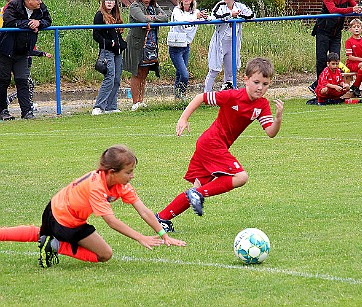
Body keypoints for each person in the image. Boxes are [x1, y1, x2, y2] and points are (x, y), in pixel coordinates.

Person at [0, 145, 186, 268]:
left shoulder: (121, 185)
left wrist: (164, 235)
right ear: (112, 172)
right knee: (104, 253)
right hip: (61, 218)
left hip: (66, 215)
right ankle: (56, 246)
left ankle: (48, 241)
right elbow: (111, 221)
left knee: (102, 254)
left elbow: (144, 211)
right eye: (129, 172)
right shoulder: (96, 186)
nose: (132, 176)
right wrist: (140, 237)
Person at [155, 57, 284, 232]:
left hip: (210, 145)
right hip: (212, 144)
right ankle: (197, 195)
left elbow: (271, 133)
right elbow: (201, 97)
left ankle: (161, 219)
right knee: (241, 177)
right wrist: (183, 118)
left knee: (197, 188)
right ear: (245, 79)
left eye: (265, 83)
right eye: (256, 82)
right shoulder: (232, 96)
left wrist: (278, 119)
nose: (260, 87)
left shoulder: (261, 106)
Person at [0, 0, 52, 120]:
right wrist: (28, 24)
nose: (40, 1)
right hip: (5, 50)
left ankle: (27, 111)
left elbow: (48, 20)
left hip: (23, 52)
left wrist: (39, 23)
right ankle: (3, 111)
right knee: (3, 81)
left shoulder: (41, 7)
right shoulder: (13, 5)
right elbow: (9, 21)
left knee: (23, 81)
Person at [309, 0, 362, 95]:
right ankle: (320, 86)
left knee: (336, 59)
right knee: (322, 59)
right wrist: (352, 9)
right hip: (323, 31)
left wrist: (359, 8)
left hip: (336, 32)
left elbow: (355, 6)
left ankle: (328, 86)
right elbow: (333, 10)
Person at [123, 0, 168, 111]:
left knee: (145, 72)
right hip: (137, 44)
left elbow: (165, 18)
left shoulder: (154, 5)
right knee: (137, 72)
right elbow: (142, 19)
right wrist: (156, 17)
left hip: (151, 43)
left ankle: (141, 101)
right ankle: (135, 102)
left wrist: (151, 18)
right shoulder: (135, 6)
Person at [204, 0, 254, 93]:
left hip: (233, 42)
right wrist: (230, 14)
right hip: (220, 43)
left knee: (231, 71)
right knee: (214, 70)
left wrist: (237, 16)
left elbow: (251, 15)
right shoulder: (220, 5)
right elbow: (215, 17)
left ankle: (227, 94)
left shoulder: (240, 5)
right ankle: (206, 94)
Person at [91, 0, 127, 116]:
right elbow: (96, 35)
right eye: (107, 0)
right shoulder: (99, 15)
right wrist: (108, 43)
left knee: (116, 79)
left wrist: (122, 44)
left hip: (118, 51)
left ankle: (111, 106)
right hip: (107, 51)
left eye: (112, 1)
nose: (110, 3)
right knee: (109, 78)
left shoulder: (116, 15)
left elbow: (118, 35)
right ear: (103, 2)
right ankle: (98, 106)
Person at [168, 0, 208, 99]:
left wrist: (205, 17)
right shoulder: (176, 10)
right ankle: (181, 94)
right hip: (175, 46)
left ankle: (178, 98)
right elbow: (181, 20)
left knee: (179, 74)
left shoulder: (195, 12)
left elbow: (205, 20)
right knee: (184, 74)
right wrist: (196, 17)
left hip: (186, 46)